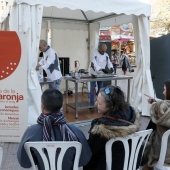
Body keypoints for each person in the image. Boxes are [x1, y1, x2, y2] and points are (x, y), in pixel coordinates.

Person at [17, 89, 92, 170]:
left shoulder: (30, 132)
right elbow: (84, 160)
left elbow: (24, 163)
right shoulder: (75, 132)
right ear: (62, 105)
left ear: (42, 106)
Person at [84, 85, 140, 170]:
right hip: (130, 164)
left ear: (111, 107)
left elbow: (90, 152)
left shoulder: (100, 127)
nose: (95, 104)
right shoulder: (132, 116)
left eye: (99, 103)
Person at [142, 80, 170, 170]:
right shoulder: (162, 106)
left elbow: (160, 109)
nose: (163, 92)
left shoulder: (160, 108)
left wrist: (155, 104)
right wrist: (156, 102)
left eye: (165, 90)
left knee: (145, 143)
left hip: (160, 154)